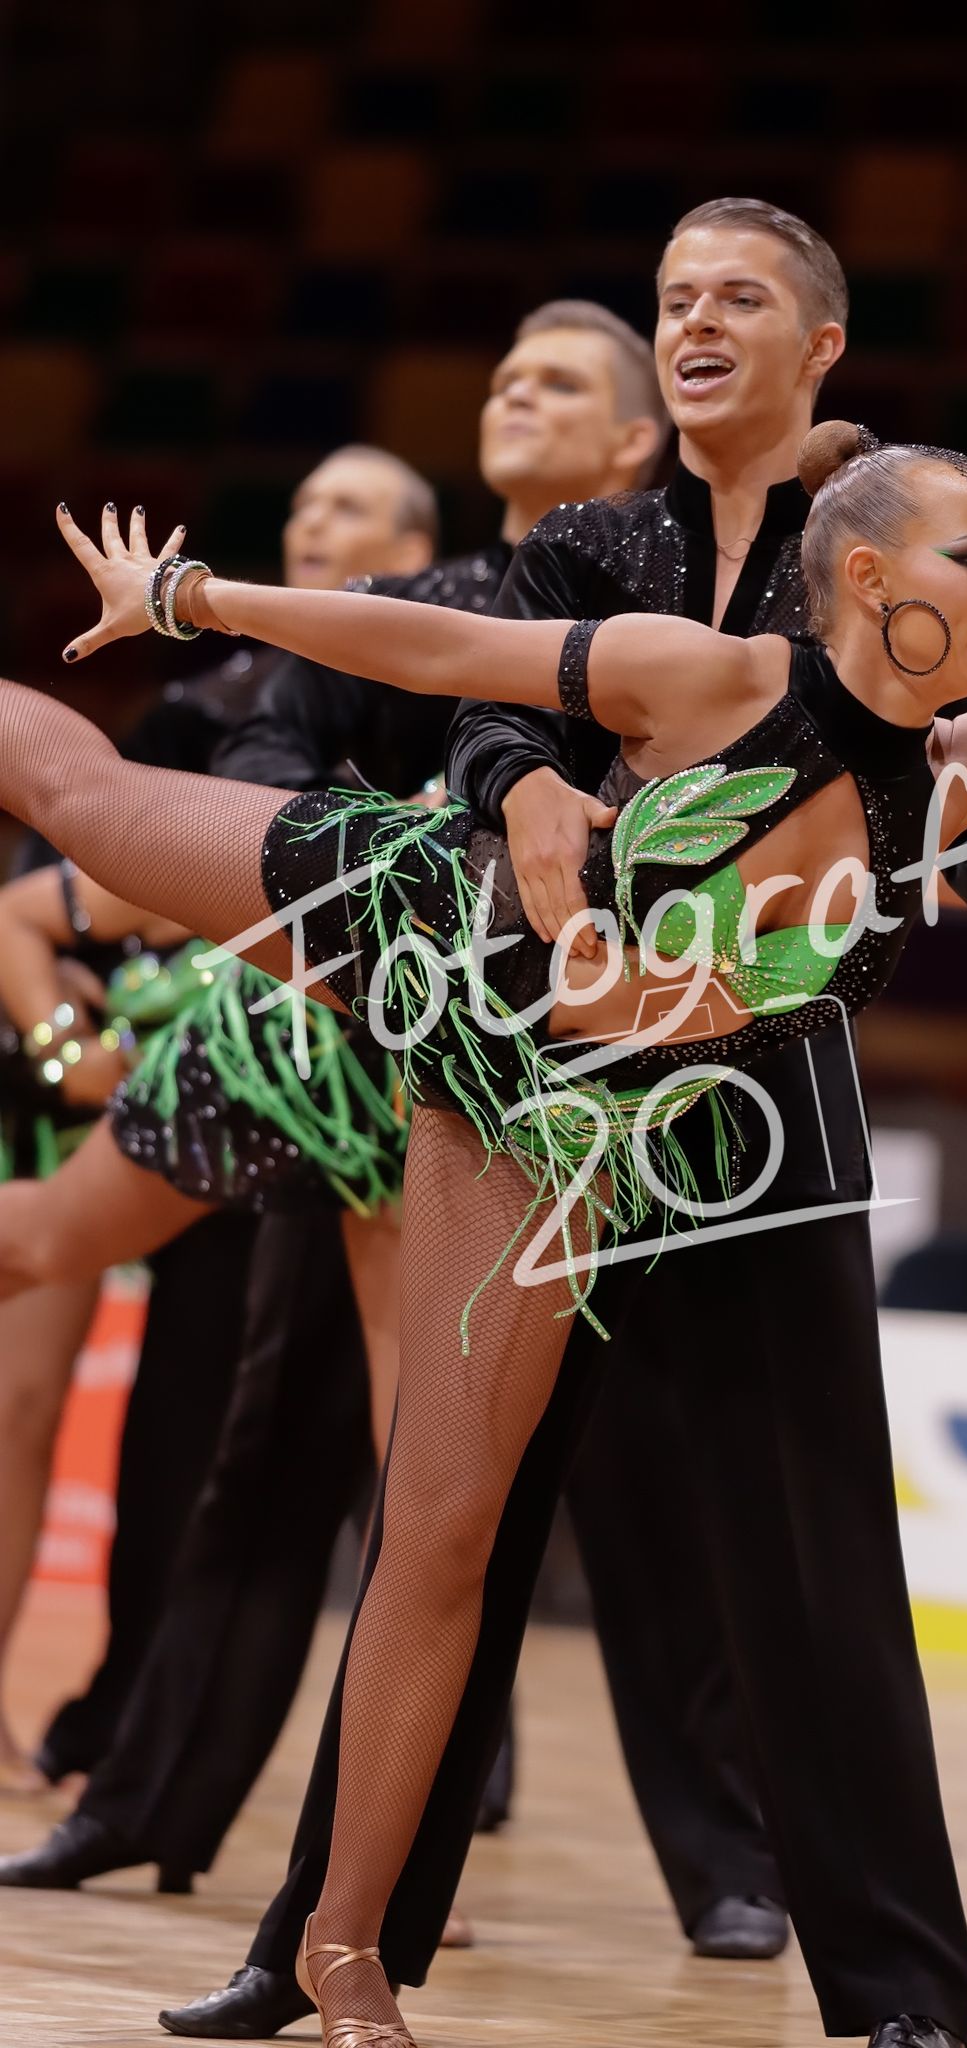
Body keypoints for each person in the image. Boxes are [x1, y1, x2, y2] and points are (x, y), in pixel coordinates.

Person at [7, 406, 967, 2048]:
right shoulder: (711, 681)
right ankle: (332, 1934)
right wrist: (193, 601)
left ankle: (338, 1950)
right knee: (83, 801)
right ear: (865, 576)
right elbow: (442, 653)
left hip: (547, 1128)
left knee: (442, 1525)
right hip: (427, 920)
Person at [0, 311, 668, 1950]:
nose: (514, 393)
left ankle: (385, 1877)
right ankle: (197, 1815)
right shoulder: (402, 614)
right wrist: (88, 1043)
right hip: (292, 1028)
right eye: (504, 375)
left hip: (452, 1081)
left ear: (634, 444)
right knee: (46, 1256)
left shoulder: (660, 628)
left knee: (427, 1489)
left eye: (558, 381)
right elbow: (94, 866)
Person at [0, 448, 437, 1797]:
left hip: (375, 1109)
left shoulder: (465, 707)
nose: (312, 522)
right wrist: (70, 1055)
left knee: (397, 1471)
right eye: (301, 505)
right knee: (51, 1396)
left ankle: (423, 1791)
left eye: (348, 506)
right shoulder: (205, 711)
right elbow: (48, 890)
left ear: (426, 560)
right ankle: (113, 1730)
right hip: (187, 1080)